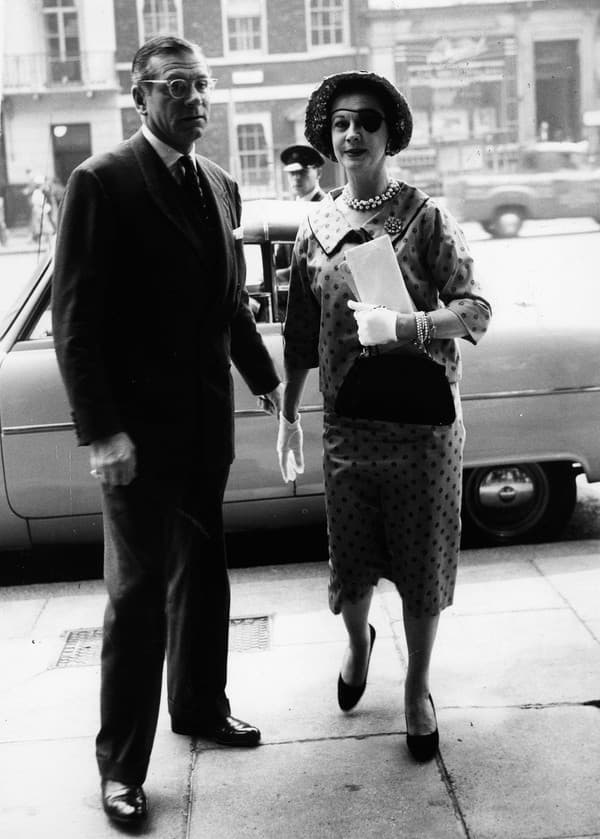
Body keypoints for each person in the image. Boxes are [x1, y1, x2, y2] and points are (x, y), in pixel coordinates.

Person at [52, 35, 282, 826]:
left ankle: (200, 704)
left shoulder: (220, 183)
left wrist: (267, 378)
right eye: (176, 85)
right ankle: (121, 765)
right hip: (136, 439)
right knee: (139, 595)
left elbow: (228, 301)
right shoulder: (101, 181)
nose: (193, 98)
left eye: (202, 85)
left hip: (203, 428)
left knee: (205, 572)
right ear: (140, 97)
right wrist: (102, 434)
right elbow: (74, 325)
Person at [277, 71, 491, 763]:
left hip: (422, 428)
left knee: (422, 566)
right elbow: (300, 332)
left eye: (366, 120)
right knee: (354, 562)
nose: (352, 133)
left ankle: (417, 689)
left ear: (388, 132)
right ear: (328, 136)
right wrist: (288, 412)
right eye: (340, 122)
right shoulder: (313, 226)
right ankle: (356, 643)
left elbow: (476, 310)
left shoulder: (425, 216)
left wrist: (406, 324)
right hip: (347, 423)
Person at [275, 144, 326, 287]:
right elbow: (280, 259)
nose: (296, 178)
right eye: (292, 173)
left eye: (302, 172)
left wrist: (278, 275)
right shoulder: (288, 211)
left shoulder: (326, 208)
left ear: (318, 172)